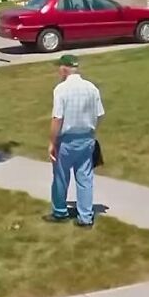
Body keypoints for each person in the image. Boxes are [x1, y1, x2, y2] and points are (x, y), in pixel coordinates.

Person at [47, 54, 105, 228]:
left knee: (61, 177)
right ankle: (85, 217)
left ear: (65, 69)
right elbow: (99, 114)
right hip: (87, 138)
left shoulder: (61, 90)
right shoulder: (92, 88)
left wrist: (52, 142)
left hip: (66, 140)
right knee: (85, 177)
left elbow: (57, 118)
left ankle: (60, 212)